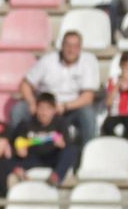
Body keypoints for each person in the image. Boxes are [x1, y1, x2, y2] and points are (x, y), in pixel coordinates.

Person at [12, 31, 100, 173]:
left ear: (80, 48)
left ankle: (87, 158)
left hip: (71, 108)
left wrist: (65, 106)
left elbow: (88, 97)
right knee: (18, 109)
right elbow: (25, 85)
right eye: (68, 45)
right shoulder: (47, 61)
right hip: (44, 107)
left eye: (75, 46)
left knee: (88, 113)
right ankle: (18, 152)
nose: (71, 50)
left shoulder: (87, 63)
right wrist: (32, 103)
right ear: (62, 46)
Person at [6, 92, 74, 184]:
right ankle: (20, 173)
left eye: (48, 109)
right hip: (32, 158)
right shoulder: (26, 124)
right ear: (36, 109)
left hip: (52, 158)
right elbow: (17, 144)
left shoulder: (60, 124)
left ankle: (56, 176)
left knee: (72, 151)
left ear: (54, 110)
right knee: (4, 161)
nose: (43, 112)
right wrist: (20, 150)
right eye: (41, 108)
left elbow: (67, 146)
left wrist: (62, 145)